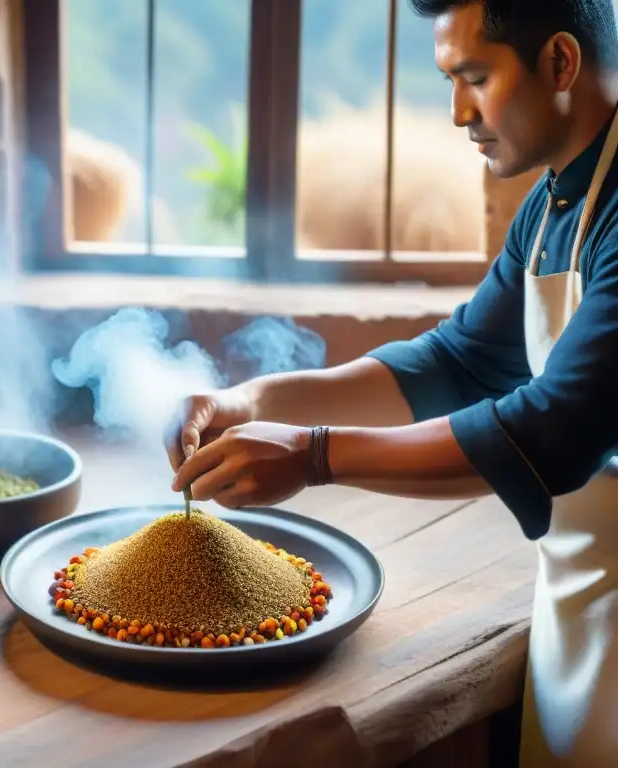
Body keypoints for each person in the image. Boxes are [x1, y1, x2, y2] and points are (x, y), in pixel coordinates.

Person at [167, 2, 618, 767]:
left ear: (561, 64)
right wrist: (256, 401)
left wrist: (313, 457)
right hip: (587, 609)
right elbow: (460, 360)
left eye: (474, 78)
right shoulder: (553, 206)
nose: (457, 112)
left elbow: (552, 432)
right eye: (450, 81)